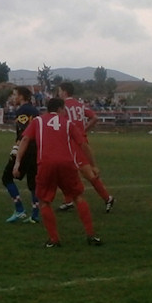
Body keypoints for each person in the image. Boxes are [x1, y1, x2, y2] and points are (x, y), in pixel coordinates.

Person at [13, 97, 102, 247]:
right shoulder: (68, 123)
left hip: (46, 164)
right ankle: (91, 235)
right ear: (60, 109)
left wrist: (17, 162)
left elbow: (25, 139)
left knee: (44, 201)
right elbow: (83, 144)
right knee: (78, 196)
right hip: (67, 163)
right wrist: (93, 165)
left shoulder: (38, 121)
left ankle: (54, 240)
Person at [57, 82, 115, 213]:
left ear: (64, 92)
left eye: (59, 91)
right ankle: (68, 200)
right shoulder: (79, 105)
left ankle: (107, 198)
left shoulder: (63, 106)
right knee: (64, 171)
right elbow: (94, 117)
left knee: (87, 173)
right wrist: (84, 129)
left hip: (74, 143)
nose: (58, 93)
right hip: (76, 140)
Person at [4, 87, 40, 223]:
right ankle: (35, 215)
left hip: (25, 149)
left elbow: (24, 134)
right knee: (33, 182)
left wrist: (16, 151)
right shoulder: (35, 111)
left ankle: (19, 209)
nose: (13, 97)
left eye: (14, 94)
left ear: (21, 96)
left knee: (6, 177)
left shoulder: (22, 111)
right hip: (36, 149)